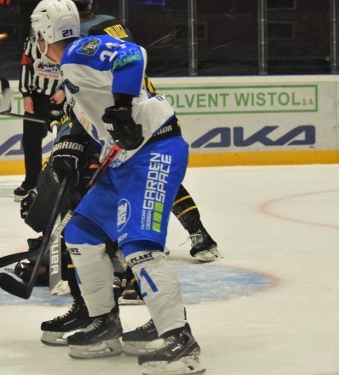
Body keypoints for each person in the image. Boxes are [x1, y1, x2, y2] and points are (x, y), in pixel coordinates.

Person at [16, 0, 218, 356]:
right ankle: (104, 323)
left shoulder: (80, 50)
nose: (36, 44)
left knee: (138, 245)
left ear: (46, 33)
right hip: (123, 160)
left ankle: (179, 339)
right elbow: (88, 118)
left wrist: (122, 108)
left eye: (37, 35)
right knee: (81, 231)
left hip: (155, 150)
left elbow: (131, 55)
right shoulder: (70, 69)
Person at [14, 36, 66, 202]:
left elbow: (77, 69)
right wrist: (26, 95)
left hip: (62, 99)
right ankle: (31, 182)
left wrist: (65, 90)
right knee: (30, 140)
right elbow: (26, 66)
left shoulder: (69, 41)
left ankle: (64, 182)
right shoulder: (31, 42)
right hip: (37, 98)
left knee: (64, 140)